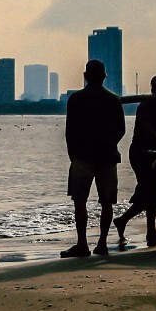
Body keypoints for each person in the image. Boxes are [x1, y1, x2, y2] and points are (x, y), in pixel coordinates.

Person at [61, 58, 125, 257]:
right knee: (107, 202)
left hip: (82, 156)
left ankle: (82, 244)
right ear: (104, 77)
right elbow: (121, 130)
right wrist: (108, 144)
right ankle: (102, 243)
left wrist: (73, 154)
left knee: (80, 201)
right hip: (107, 157)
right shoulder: (114, 100)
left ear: (85, 76)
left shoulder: (76, 99)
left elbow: (69, 131)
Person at [114, 73, 156, 247]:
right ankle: (148, 231)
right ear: (154, 89)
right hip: (141, 154)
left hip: (155, 155)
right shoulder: (145, 105)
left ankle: (127, 222)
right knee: (149, 191)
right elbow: (147, 129)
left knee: (151, 192)